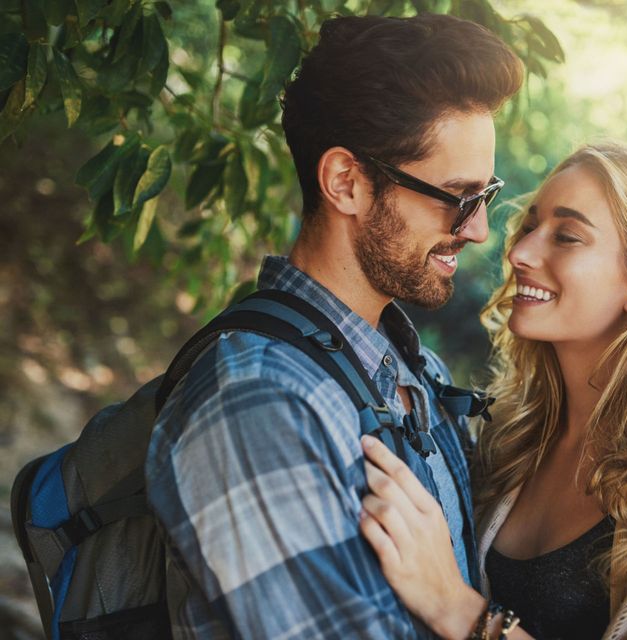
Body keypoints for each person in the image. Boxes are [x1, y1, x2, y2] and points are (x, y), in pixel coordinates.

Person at [144, 13, 523, 640]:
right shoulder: (259, 399)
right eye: (457, 197)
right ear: (346, 183)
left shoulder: (417, 375)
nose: (477, 229)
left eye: (486, 196)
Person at [360, 142, 627, 640]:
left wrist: (457, 608)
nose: (520, 251)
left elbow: (447, 596)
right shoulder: (505, 439)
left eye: (568, 236)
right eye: (531, 226)